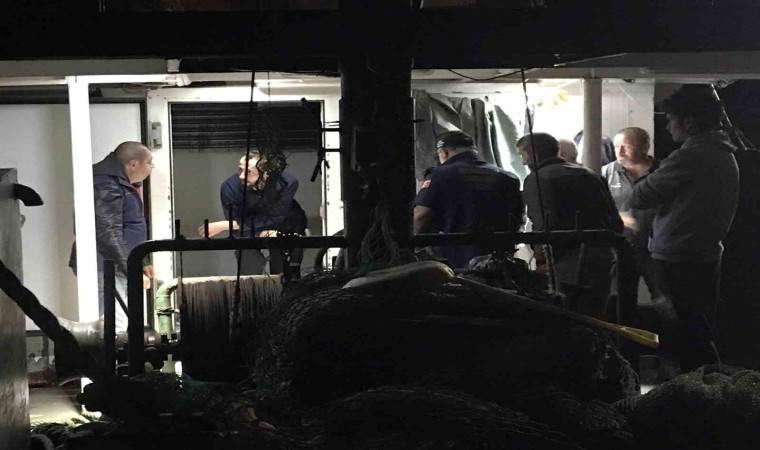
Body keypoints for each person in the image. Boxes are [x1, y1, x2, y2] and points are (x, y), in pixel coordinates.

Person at [630, 84, 740, 372]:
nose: (667, 127)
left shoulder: (690, 156)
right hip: (705, 254)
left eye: (671, 119)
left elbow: (640, 196)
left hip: (677, 257)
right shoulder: (722, 153)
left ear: (689, 122)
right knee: (698, 328)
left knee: (683, 332)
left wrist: (643, 174)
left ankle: (694, 386)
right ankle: (707, 384)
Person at [518, 132, 623, 318]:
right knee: (597, 315)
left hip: (567, 259)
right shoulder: (591, 175)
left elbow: (543, 225)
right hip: (603, 255)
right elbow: (615, 221)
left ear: (533, 153)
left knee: (567, 315)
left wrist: (541, 260)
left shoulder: (538, 179)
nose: (523, 161)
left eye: (522, 155)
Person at [69, 142, 154, 331]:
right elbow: (108, 234)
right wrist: (132, 270)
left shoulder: (117, 182)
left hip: (114, 265)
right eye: (149, 162)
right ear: (134, 164)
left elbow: (126, 226)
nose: (152, 167)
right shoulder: (105, 184)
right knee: (116, 326)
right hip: (106, 266)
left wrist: (142, 260)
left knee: (119, 323)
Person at [413, 130, 523, 269]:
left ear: (444, 152)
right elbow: (517, 219)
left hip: (454, 261)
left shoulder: (440, 175)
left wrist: (410, 244)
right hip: (499, 261)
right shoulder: (508, 178)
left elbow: (421, 216)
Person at [200, 152, 307, 277]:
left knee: (284, 270)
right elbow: (237, 227)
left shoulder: (286, 182)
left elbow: (275, 217)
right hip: (248, 231)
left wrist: (224, 225)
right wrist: (260, 233)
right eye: (240, 169)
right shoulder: (230, 187)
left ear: (266, 173)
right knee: (249, 264)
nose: (241, 176)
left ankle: (286, 284)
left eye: (249, 172)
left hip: (286, 225)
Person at [602, 127, 660, 299]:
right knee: (620, 300)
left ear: (645, 147)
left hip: (657, 249)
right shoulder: (606, 173)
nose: (619, 152)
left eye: (626, 147)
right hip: (621, 249)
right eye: (616, 147)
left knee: (665, 299)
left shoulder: (663, 172)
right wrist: (616, 217)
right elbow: (594, 208)